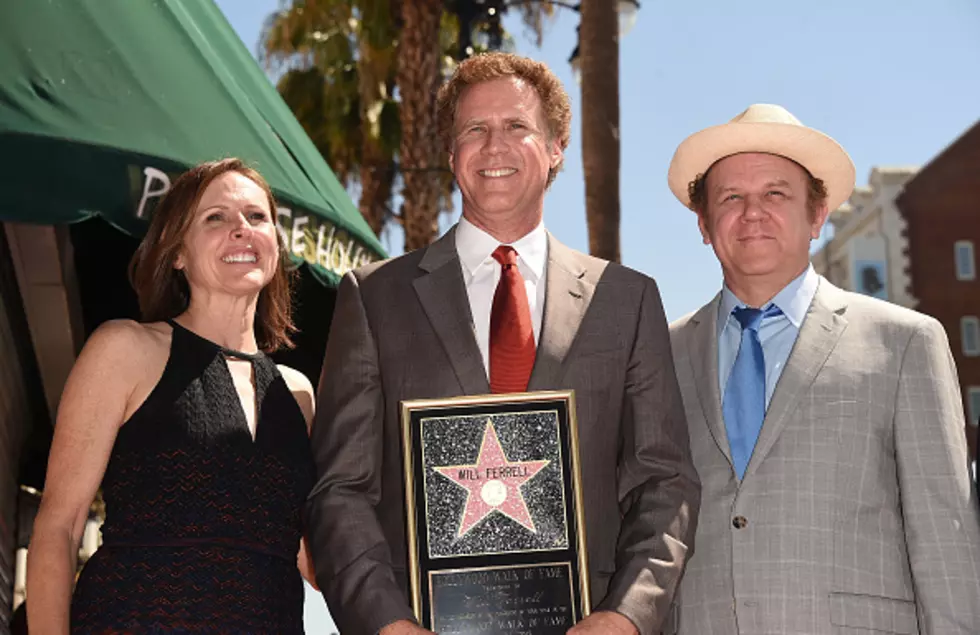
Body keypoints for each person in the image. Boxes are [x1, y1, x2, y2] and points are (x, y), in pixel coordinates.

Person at [306, 52, 700, 635]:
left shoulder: (627, 300)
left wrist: (625, 617)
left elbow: (664, 482)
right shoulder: (373, 297)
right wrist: (387, 625)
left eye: (517, 126)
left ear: (557, 146)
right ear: (451, 153)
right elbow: (340, 490)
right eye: (475, 130)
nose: (495, 146)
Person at [666, 104, 980, 634]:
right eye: (731, 198)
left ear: (817, 215)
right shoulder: (661, 354)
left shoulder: (905, 342)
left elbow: (945, 539)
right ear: (703, 223)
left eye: (776, 194)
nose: (753, 212)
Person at [26, 158, 318, 633]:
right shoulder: (125, 349)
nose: (241, 230)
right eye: (216, 218)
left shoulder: (299, 393)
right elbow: (59, 526)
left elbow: (315, 562)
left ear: (276, 245)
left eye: (256, 217)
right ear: (177, 252)